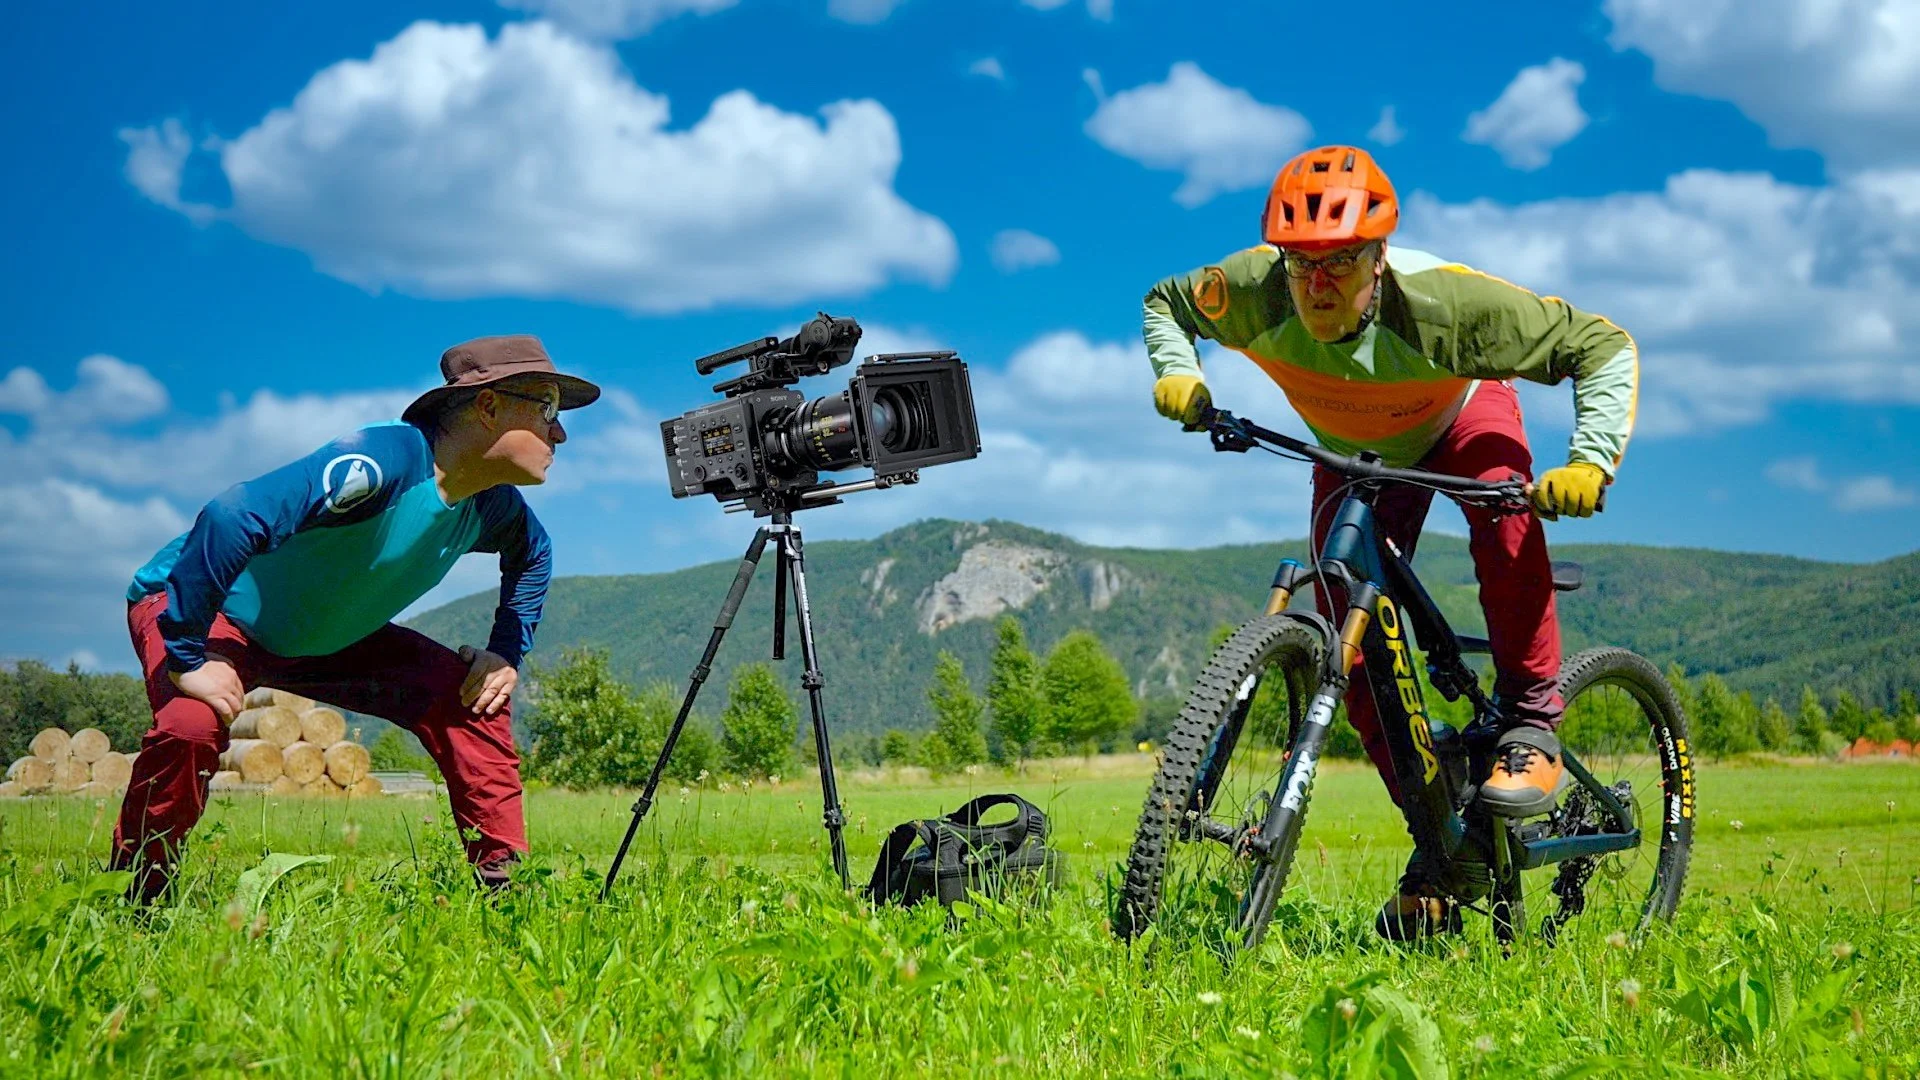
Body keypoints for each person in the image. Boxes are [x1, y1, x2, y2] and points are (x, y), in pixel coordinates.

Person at [1141, 145, 1637, 938]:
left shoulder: (1452, 306)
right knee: (1347, 626)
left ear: (1379, 259)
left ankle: (1532, 722)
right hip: (1357, 450)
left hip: (1457, 412)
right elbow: (1166, 304)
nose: (1318, 285)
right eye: (1302, 266)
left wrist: (1591, 460)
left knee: (1508, 521)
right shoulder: (1247, 290)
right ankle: (1443, 847)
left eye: (1341, 262)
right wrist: (1180, 372)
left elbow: (1600, 346)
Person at [113, 335, 599, 902]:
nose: (559, 432)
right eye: (546, 409)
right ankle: (138, 901)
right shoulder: (381, 463)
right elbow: (231, 516)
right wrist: (189, 653)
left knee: (474, 698)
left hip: (329, 639)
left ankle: (509, 896)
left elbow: (534, 554)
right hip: (209, 612)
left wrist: (506, 652)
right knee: (191, 725)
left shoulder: (492, 506)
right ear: (488, 406)